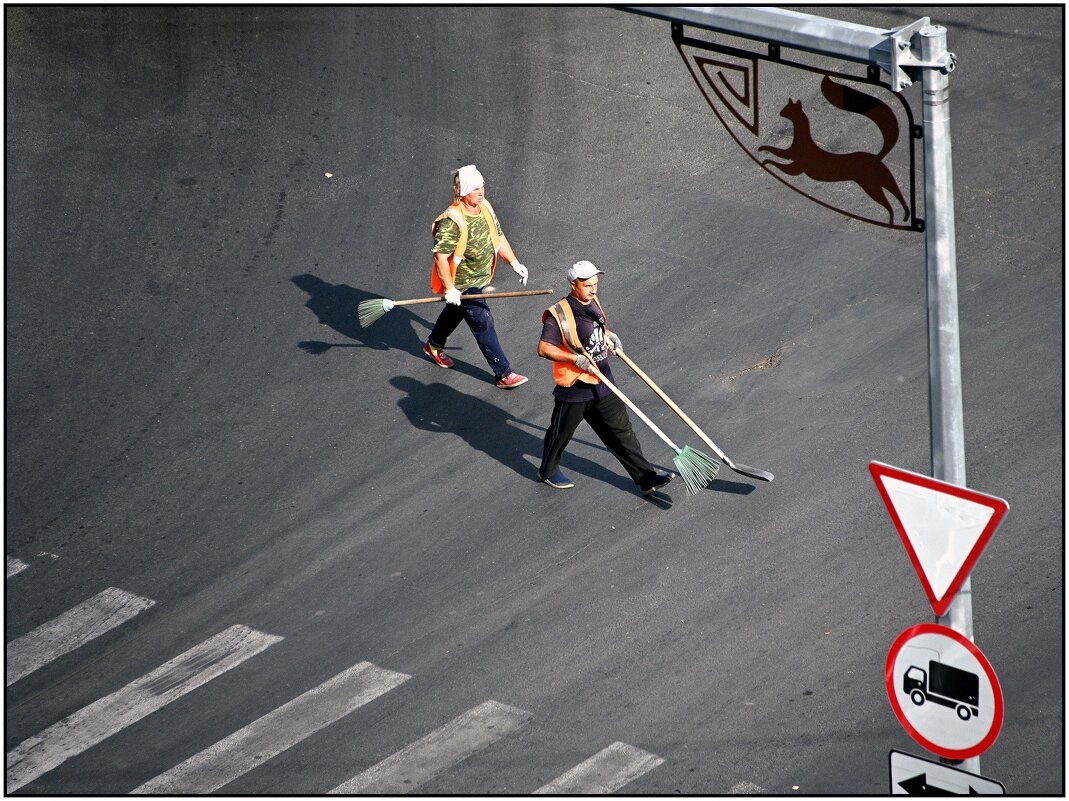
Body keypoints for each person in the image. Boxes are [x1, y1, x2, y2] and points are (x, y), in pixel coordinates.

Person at [536, 260, 673, 494]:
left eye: (596, 284)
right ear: (573, 285)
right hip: (575, 387)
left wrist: (609, 336)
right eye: (588, 285)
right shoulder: (558, 314)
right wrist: (575, 359)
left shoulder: (593, 301)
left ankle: (646, 478)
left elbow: (596, 329)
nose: (594, 289)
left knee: (621, 431)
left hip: (602, 380)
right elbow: (544, 348)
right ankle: (547, 471)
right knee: (561, 433)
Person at [424, 164, 529, 389]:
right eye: (475, 189)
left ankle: (433, 344)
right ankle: (503, 373)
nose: (481, 192)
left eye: (482, 187)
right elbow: (440, 258)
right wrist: (451, 289)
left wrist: (514, 262)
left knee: (455, 310)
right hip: (463, 284)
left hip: (480, 278)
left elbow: (498, 237)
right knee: (482, 320)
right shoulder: (452, 221)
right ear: (462, 192)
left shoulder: (486, 207)